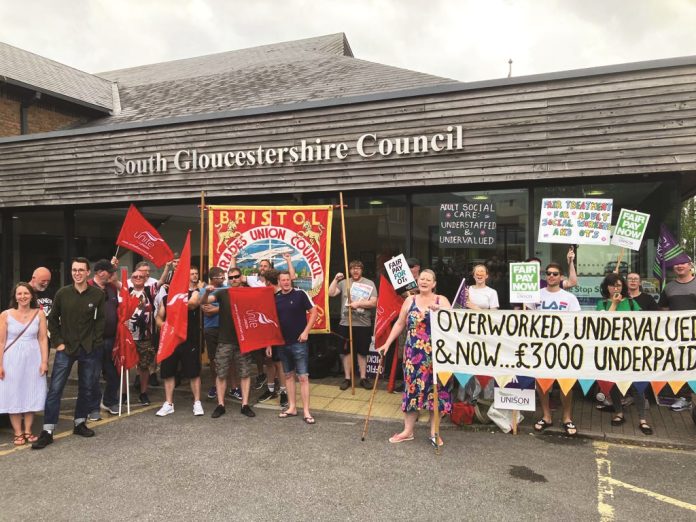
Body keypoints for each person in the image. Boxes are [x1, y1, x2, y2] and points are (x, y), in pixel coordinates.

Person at [32, 258, 105, 450]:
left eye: (81, 270)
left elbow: (100, 322)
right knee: (55, 389)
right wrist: (58, 343)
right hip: (66, 349)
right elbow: (52, 319)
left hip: (89, 350)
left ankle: (80, 422)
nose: (77, 273)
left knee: (87, 388)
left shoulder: (97, 294)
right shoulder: (62, 293)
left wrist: (95, 343)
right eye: (74, 270)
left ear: (88, 272)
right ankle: (47, 430)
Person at [377, 269, 451, 446]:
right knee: (411, 391)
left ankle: (434, 432)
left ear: (434, 284)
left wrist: (440, 311)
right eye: (422, 278)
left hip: (437, 355)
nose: (424, 281)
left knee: (436, 393)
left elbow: (454, 321)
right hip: (413, 355)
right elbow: (400, 323)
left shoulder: (442, 300)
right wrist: (387, 344)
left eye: (428, 279)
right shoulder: (410, 300)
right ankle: (408, 431)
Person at [594, 273, 652, 434]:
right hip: (611, 350)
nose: (616, 288)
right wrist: (613, 304)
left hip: (631, 350)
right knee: (613, 383)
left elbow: (642, 325)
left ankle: (642, 419)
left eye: (619, 285)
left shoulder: (632, 303)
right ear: (607, 287)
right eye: (613, 285)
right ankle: (619, 412)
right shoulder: (602, 304)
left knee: (636, 385)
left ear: (623, 287)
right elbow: (602, 324)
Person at [530, 262, 581, 437]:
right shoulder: (534, 296)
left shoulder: (569, 298)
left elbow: (576, 322)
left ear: (561, 277)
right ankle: (546, 416)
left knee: (565, 383)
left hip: (563, 346)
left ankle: (567, 418)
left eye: (555, 273)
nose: (551, 276)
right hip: (541, 346)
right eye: (548, 273)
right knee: (543, 383)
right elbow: (527, 318)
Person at [201, 276, 256, 419]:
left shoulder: (247, 293)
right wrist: (206, 292)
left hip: (243, 340)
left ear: (241, 279)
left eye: (237, 277)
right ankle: (220, 405)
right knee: (221, 373)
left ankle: (245, 405)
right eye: (231, 277)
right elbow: (204, 302)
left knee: (244, 373)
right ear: (229, 280)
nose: (234, 279)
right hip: (224, 340)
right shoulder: (222, 292)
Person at [0, 283, 48, 446]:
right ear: (15, 296)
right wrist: (0, 364)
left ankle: (28, 430)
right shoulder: (5, 315)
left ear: (31, 295)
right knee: (13, 392)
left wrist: (44, 361)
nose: (23, 297)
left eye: (26, 293)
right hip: (11, 358)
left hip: (33, 357)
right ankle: (18, 432)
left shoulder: (39, 314)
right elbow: (1, 342)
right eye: (19, 294)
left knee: (31, 391)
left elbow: (42, 339)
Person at [273, 271, 319, 424]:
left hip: (299, 342)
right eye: (282, 280)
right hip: (282, 343)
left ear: (291, 280)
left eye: (287, 280)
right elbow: (271, 321)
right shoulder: (276, 298)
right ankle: (292, 407)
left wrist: (306, 332)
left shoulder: (300, 294)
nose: (285, 282)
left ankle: (306, 411)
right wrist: (269, 343)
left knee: (303, 377)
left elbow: (314, 312)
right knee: (287, 376)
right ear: (279, 282)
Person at [154, 279, 203, 417]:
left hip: (189, 339)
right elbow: (158, 317)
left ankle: (197, 402)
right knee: (168, 371)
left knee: (193, 372)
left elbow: (193, 304)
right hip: (171, 340)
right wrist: (164, 326)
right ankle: (169, 403)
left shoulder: (194, 293)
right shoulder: (166, 298)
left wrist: (178, 302)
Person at [329, 260, 378, 390]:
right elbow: (331, 293)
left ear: (362, 270)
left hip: (363, 324)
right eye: (352, 268)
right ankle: (347, 378)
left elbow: (374, 303)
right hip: (346, 323)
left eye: (358, 268)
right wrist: (335, 279)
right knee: (346, 352)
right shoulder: (344, 283)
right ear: (349, 270)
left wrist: (358, 304)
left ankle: (363, 378)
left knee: (362, 352)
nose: (355, 271)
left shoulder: (369, 283)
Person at [658, 259, 696, 412]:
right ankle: (685, 397)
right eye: (676, 263)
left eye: (683, 263)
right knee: (681, 365)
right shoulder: (669, 287)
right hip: (676, 336)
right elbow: (664, 310)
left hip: (694, 334)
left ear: (691, 265)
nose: (679, 266)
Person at [87, 259, 120, 419]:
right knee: (93, 374)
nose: (112, 275)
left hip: (111, 339)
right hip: (93, 340)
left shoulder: (112, 288)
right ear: (100, 272)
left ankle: (109, 401)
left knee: (114, 373)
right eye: (109, 272)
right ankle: (93, 407)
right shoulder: (87, 287)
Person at [128, 268, 157, 406]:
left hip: (145, 337)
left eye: (141, 276)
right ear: (131, 279)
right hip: (128, 336)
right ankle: (124, 394)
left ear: (145, 278)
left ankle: (143, 393)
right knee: (125, 366)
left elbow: (162, 282)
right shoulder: (127, 292)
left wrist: (168, 267)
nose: (138, 278)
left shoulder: (149, 292)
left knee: (144, 366)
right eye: (135, 276)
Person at [201, 267, 226, 400]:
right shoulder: (204, 291)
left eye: (223, 277)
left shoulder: (227, 289)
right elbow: (206, 310)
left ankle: (233, 387)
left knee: (230, 359)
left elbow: (231, 306)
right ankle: (214, 385)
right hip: (210, 328)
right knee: (213, 359)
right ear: (213, 279)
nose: (224, 279)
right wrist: (222, 308)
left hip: (225, 328)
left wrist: (217, 309)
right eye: (221, 277)